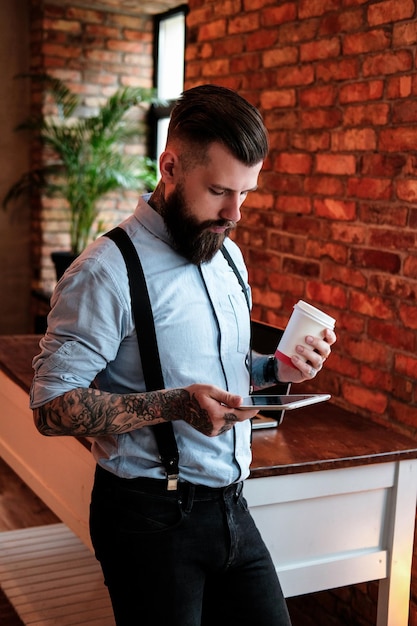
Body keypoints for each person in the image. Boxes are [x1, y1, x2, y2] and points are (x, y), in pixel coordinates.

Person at [30, 84, 336, 626]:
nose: (234, 212)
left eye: (246, 192)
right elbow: (53, 408)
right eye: (219, 190)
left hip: (233, 506)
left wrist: (277, 369)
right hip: (148, 519)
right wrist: (173, 405)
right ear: (170, 166)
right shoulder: (104, 271)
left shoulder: (230, 256)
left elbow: (224, 369)